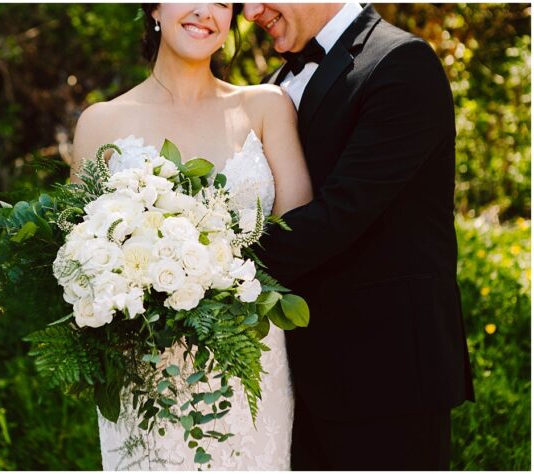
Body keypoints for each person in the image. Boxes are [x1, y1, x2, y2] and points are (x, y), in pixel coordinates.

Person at [71, 3, 312, 469]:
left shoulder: (266, 106)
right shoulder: (100, 123)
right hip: (145, 378)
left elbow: (303, 240)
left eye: (222, 2)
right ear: (154, 8)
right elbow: (80, 260)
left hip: (251, 368)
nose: (205, 11)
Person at [243, 3, 474, 469]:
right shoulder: (273, 86)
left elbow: (339, 215)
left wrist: (207, 268)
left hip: (388, 380)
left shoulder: (401, 63)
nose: (250, 12)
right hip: (293, 380)